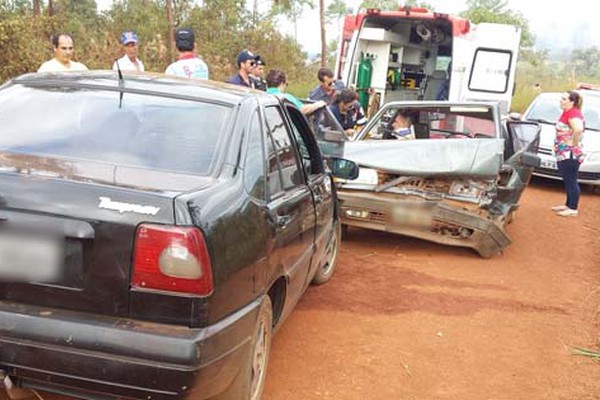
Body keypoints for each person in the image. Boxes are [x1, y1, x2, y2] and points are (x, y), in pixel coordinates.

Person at [551, 91, 585, 217]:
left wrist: (573, 143)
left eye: (564, 99)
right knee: (567, 178)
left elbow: (578, 129)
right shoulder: (567, 112)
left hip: (570, 153)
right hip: (564, 152)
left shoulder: (573, 113)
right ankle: (568, 204)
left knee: (571, 179)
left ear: (572, 102)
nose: (561, 100)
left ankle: (573, 208)